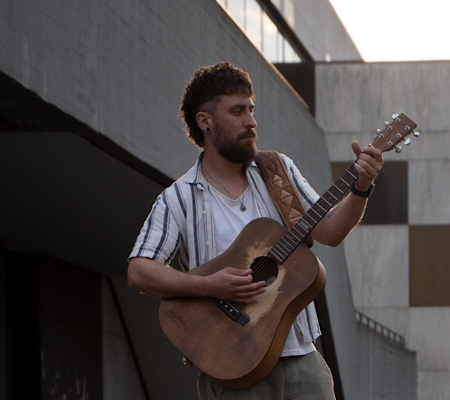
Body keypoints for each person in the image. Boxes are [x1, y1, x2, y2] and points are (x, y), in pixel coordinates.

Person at [127, 62, 383, 399]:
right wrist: (207, 285)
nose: (252, 121)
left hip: (303, 360)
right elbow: (139, 271)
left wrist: (361, 187)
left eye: (251, 109)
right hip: (231, 364)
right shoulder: (179, 199)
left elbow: (330, 232)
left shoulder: (276, 171)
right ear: (205, 122)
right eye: (238, 111)